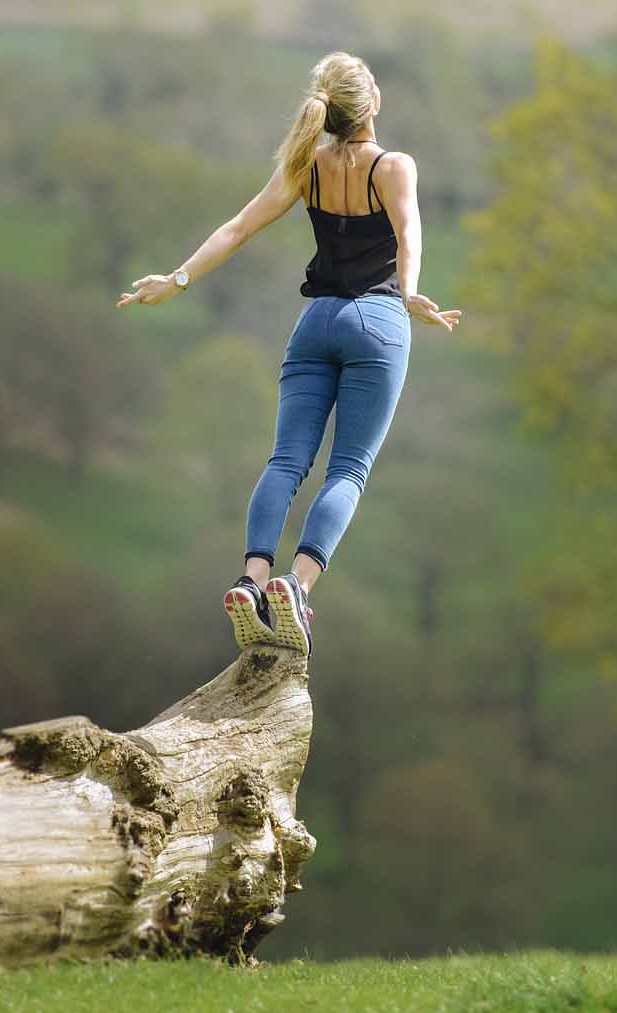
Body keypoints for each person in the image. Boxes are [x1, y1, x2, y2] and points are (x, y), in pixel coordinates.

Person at [117, 51, 460, 654]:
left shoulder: (309, 166)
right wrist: (408, 294)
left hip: (315, 324)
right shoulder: (394, 166)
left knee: (285, 462)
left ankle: (250, 581)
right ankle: (296, 587)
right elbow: (409, 231)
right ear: (370, 104)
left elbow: (237, 228)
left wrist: (177, 280)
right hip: (375, 322)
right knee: (348, 468)